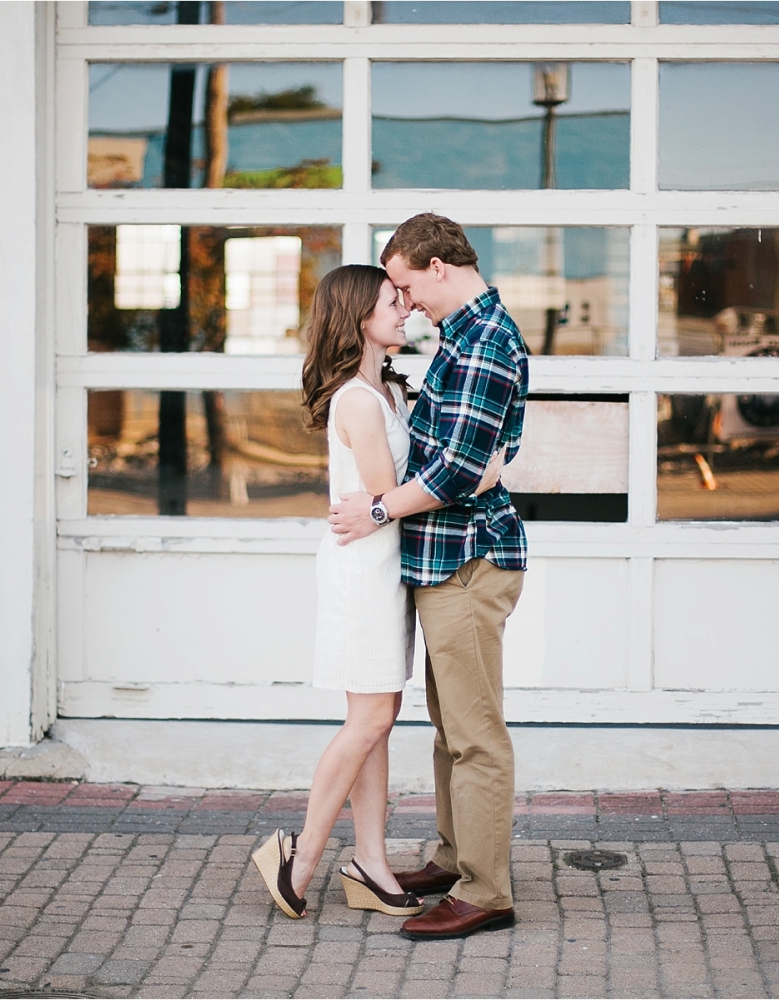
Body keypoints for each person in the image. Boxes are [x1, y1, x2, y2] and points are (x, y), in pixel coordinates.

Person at [251, 264, 503, 921]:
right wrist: (472, 473)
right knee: (368, 720)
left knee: (379, 722)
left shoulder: (386, 387)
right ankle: (300, 863)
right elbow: (392, 492)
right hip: (361, 573)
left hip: (387, 567)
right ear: (360, 317)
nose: (406, 309)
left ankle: (370, 862)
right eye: (393, 301)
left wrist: (460, 469)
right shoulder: (356, 401)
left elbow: (397, 493)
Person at [329, 214, 529, 941]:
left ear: (438, 267)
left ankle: (486, 891)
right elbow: (466, 458)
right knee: (452, 731)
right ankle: (454, 859)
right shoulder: (461, 337)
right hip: (444, 558)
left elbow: (456, 471)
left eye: (407, 285)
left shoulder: (485, 342)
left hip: (469, 558)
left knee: (475, 736)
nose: (405, 302)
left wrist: (378, 508)